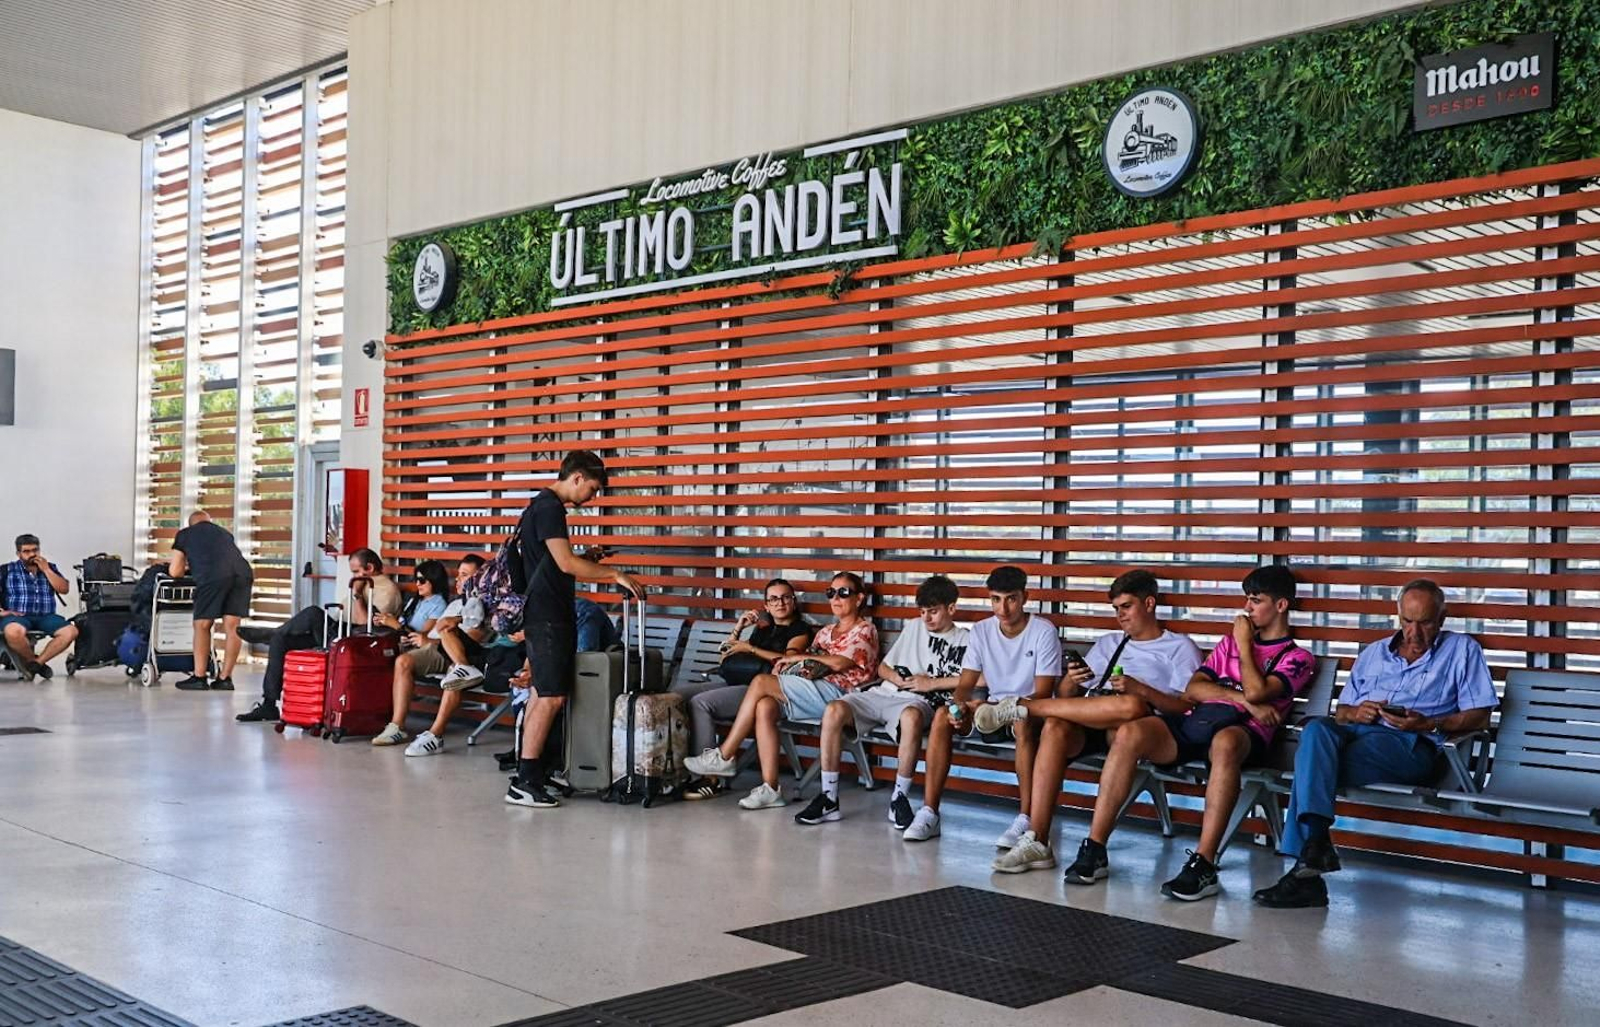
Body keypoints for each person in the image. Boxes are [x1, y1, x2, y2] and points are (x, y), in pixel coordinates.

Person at [1059, 564, 1316, 900]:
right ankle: (1095, 847)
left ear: (1281, 606)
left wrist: (1243, 646)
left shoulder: (1297, 658)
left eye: (1255, 601)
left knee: (1224, 743)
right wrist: (1243, 698)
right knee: (1130, 734)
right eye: (1247, 600)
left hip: (1245, 734)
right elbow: (1193, 690)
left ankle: (1205, 863)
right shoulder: (1226, 646)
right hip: (1198, 722)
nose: (1247, 609)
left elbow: (1257, 691)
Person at [1254, 579, 1497, 909]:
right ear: (1398, 616)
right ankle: (1313, 849)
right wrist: (1356, 711)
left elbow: (1480, 716)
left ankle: (1310, 861)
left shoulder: (1462, 651)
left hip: (1410, 745)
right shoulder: (1374, 653)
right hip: (1357, 736)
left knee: (1310, 764)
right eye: (1408, 621)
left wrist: (1428, 722)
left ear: (1443, 618)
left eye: (1425, 622)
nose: (1414, 633)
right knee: (1315, 731)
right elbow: (1340, 713)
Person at [979, 569, 1202, 872]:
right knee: (1056, 726)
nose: (1120, 616)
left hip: (1144, 724)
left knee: (1131, 703)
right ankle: (1037, 839)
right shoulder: (1110, 643)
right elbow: (1069, 695)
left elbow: (1186, 707)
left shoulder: (1179, 647)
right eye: (1116, 609)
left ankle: (1025, 707)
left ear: (1149, 604)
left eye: (1127, 607)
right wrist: (1073, 680)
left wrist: (1142, 689)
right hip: (1096, 717)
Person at [503, 450, 645, 810]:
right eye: (593, 489)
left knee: (542, 694)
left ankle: (532, 771)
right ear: (578, 477)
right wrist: (615, 575)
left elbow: (550, 562)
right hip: (549, 616)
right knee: (550, 698)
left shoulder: (537, 507)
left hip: (543, 612)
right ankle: (525, 783)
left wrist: (589, 560)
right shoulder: (550, 509)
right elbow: (565, 563)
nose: (593, 498)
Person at [684, 571, 879, 810]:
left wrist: (802, 658)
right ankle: (771, 788)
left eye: (843, 592)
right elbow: (800, 662)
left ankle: (724, 756)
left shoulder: (865, 630)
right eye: (831, 592)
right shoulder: (825, 632)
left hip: (842, 698)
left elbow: (839, 663)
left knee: (761, 683)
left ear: (859, 599)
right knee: (765, 706)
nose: (836, 598)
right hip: (812, 689)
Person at [900, 565, 1063, 845]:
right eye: (996, 599)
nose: (1003, 608)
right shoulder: (982, 630)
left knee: (1022, 720)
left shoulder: (1043, 631)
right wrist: (958, 707)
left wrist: (1005, 707)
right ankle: (930, 812)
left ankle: (1026, 818)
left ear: (1026, 596)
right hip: (990, 710)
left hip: (1027, 711)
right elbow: (966, 683)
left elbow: (1044, 693)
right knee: (942, 716)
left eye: (1011, 598)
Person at [793, 574, 967, 829]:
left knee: (911, 716)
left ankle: (899, 798)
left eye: (933, 612)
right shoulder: (913, 627)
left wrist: (931, 684)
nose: (926, 618)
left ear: (951, 608)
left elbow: (981, 678)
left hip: (917, 702)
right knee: (834, 710)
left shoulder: (965, 639)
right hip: (882, 693)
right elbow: (883, 669)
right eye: (922, 611)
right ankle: (829, 798)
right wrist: (895, 676)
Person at [673, 578, 815, 800]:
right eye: (773, 599)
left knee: (700, 703)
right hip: (736, 681)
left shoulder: (800, 630)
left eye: (786, 597)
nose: (780, 603)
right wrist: (739, 628)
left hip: (760, 690)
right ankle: (672, 769)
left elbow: (787, 660)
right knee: (676, 697)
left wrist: (749, 648)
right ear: (766, 605)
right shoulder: (763, 629)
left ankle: (710, 778)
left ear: (794, 602)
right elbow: (725, 659)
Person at [236, 548, 403, 723]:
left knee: (313, 614)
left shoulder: (385, 589)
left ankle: (271, 634)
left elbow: (366, 625)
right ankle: (269, 705)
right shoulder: (363, 583)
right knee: (281, 641)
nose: (353, 575)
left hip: (355, 642)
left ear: (369, 568)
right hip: (339, 632)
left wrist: (357, 594)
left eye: (355, 571)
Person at [371, 559, 453, 751]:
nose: (417, 584)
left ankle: (396, 724)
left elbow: (421, 638)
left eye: (422, 580)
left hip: (420, 649)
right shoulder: (414, 601)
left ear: (434, 581)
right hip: (402, 644)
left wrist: (396, 626)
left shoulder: (438, 604)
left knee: (401, 662)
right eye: (415, 579)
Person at [168, 511, 253, 691]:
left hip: (213, 576)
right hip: (243, 574)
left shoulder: (185, 534)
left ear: (191, 524)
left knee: (202, 625)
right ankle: (225, 678)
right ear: (210, 522)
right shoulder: (224, 533)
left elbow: (175, 571)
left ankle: (199, 677)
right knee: (233, 627)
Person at [0, 534, 77, 680]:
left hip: (46, 616)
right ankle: (34, 662)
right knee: (13, 632)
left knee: (70, 632)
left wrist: (47, 570)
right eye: (26, 551)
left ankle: (36, 663)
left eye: (35, 550)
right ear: (18, 553)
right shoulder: (7, 570)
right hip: (18, 616)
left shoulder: (50, 568)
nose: (31, 555)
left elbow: (64, 589)